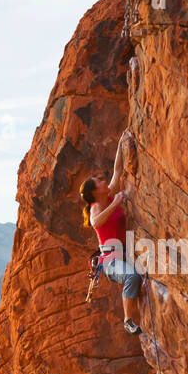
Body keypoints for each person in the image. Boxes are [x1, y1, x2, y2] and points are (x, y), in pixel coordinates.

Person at [80, 130, 142, 334]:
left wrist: (121, 141)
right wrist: (115, 202)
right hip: (110, 261)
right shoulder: (96, 208)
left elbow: (117, 170)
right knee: (132, 276)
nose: (103, 181)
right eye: (99, 183)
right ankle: (128, 320)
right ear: (94, 192)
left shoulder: (108, 194)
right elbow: (96, 222)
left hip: (125, 253)